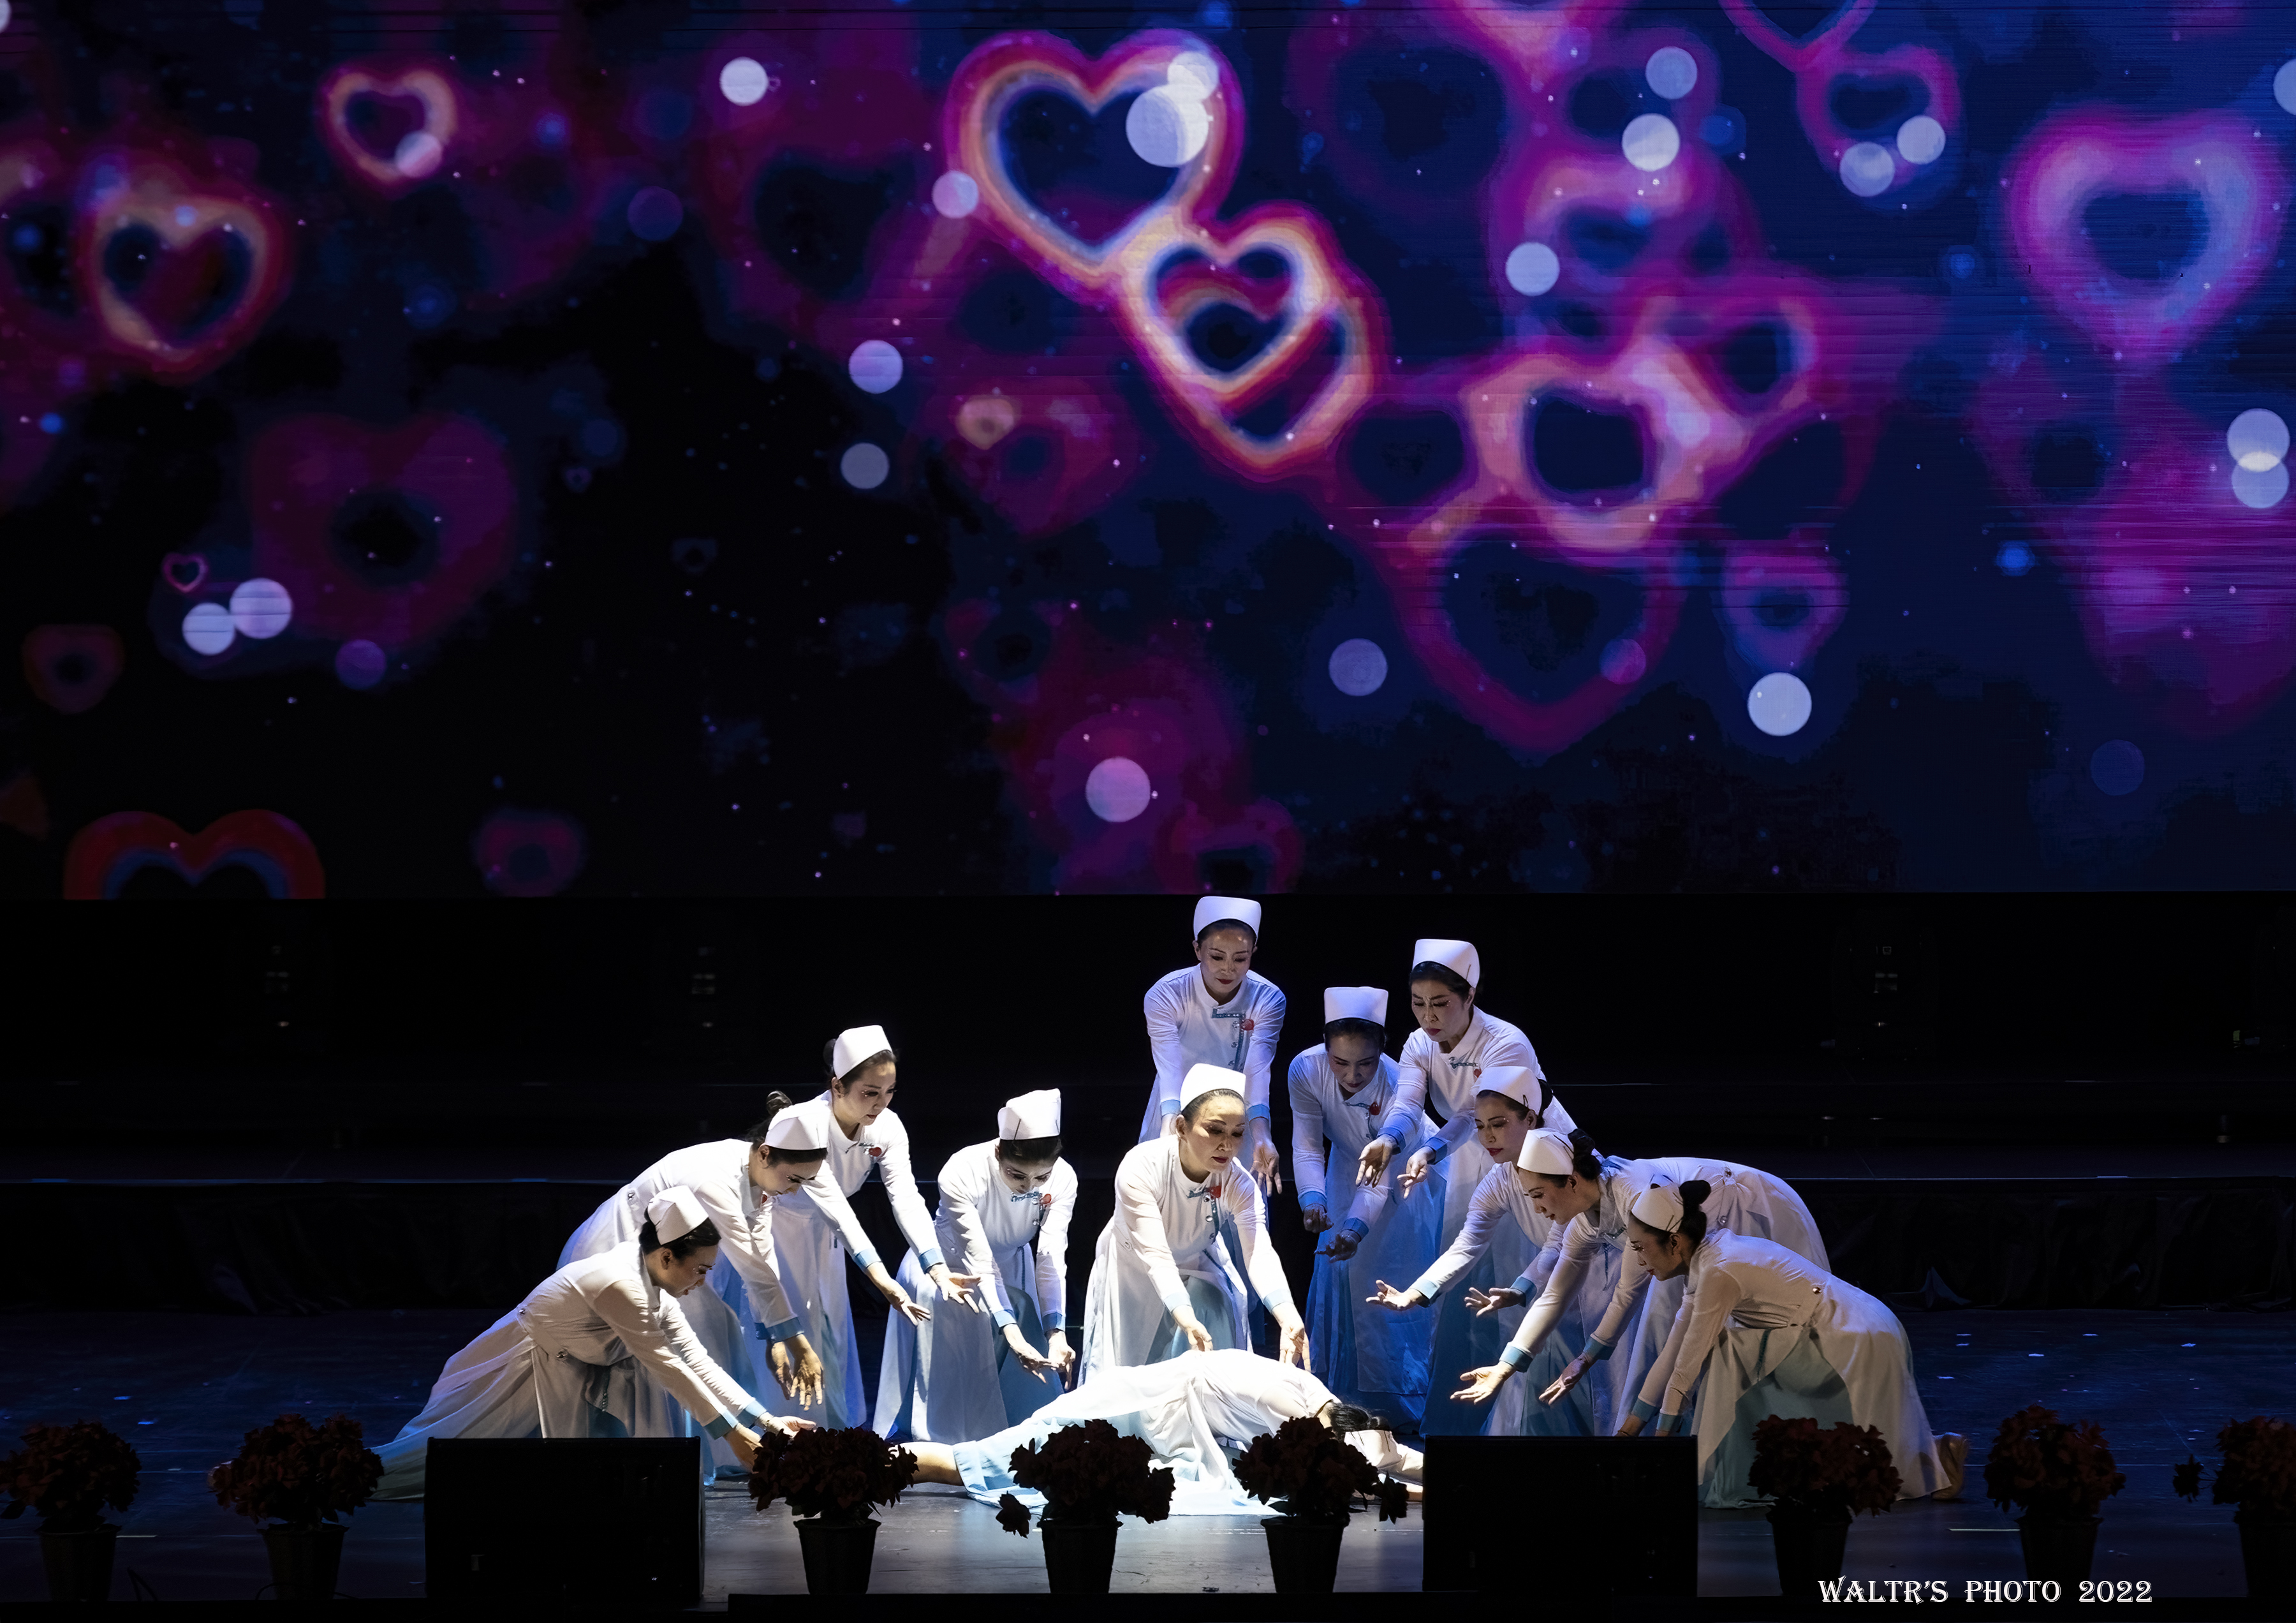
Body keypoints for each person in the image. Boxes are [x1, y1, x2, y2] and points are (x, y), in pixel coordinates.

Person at [373, 1188, 815, 1499]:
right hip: (519, 1367)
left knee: (556, 1482)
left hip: (571, 1370)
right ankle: (350, 1475)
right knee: (439, 1463)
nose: (703, 1282)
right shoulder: (621, 1284)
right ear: (666, 1256)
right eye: (700, 1270)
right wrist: (732, 1434)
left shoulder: (658, 1289)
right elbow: (667, 1365)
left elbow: (697, 1361)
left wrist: (767, 1421)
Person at [1615, 1173, 1968, 1508]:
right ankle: (1938, 1452)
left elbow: (1687, 1365)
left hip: (1853, 1334)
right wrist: (1629, 1433)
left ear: (1674, 1242)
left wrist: (1662, 1448)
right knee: (1732, 1351)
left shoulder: (1718, 1272)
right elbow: (1674, 1352)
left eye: (1640, 1248)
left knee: (1727, 1352)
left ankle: (1937, 1461)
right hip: (1854, 1322)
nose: (1639, 1260)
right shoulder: (1707, 1261)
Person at [1450, 1129, 1827, 1435]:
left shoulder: (1634, 1194)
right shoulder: (1584, 1221)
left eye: (1538, 1195)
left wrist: (1585, 1359)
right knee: (1681, 1335)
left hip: (1748, 1208)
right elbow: (1555, 1295)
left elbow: (1628, 1292)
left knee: (1674, 1330)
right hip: (1691, 1244)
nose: (1537, 1208)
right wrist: (1505, 1366)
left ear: (1571, 1181)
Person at [557, 1093, 827, 1474]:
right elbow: (752, 1265)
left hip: (669, 1259)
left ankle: (721, 1447)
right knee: (667, 1352)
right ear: (766, 1153)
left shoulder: (758, 1177)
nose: (795, 1191)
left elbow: (762, 1257)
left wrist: (775, 1336)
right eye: (794, 1179)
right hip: (621, 1246)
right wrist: (798, 1342)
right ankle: (696, 1450)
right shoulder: (714, 1180)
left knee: (712, 1334)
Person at [736, 1025, 982, 1428]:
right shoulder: (810, 1122)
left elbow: (905, 1195)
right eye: (870, 1092)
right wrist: (882, 1280)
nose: (881, 1103)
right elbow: (838, 1208)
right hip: (777, 1229)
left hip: (828, 1237)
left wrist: (936, 1266)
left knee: (829, 1333)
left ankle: (829, 1435)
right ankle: (778, 1434)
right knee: (787, 1328)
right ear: (837, 1086)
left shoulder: (888, 1126)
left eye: (889, 1092)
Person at [902, 1348, 1425, 1515]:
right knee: (981, 1462)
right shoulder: (1290, 1409)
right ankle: (869, 1463)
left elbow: (1394, 1460)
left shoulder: (1327, 1408)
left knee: (1001, 1468)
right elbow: (1355, 1479)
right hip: (1132, 1409)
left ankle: (876, 1465)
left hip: (1161, 1430)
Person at [1361, 1067, 1593, 1437]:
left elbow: (1559, 1245)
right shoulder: (1500, 1179)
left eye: (1498, 1124)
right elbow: (1468, 1243)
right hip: (1553, 1282)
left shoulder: (1565, 1169)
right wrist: (1414, 1294)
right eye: (1481, 1126)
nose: (1487, 1137)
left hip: (1598, 1279)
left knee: (1604, 1384)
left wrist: (1520, 1289)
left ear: (1530, 1119)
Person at [1079, 1065, 1309, 1381]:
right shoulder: (1141, 1167)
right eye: (1215, 1130)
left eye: (1237, 1133)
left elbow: (1259, 1252)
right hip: (1133, 1266)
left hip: (1196, 1259)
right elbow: (1157, 1256)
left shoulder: (1238, 1183)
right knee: (1128, 1373)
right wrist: (1184, 1316)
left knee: (1213, 1310)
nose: (1227, 1145)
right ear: (1181, 1127)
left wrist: (1287, 1315)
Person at [875, 1088, 1078, 1442]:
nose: (1028, 1187)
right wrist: (1010, 1332)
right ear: (999, 1151)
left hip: (1013, 1266)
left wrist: (1056, 1332)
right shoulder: (963, 1169)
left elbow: (1050, 1256)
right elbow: (979, 1259)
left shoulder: (1065, 1177)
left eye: (1041, 1179)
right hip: (949, 1270)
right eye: (1017, 1176)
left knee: (1022, 1393)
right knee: (961, 1375)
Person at [1289, 987, 1441, 1427]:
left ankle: (1400, 1405)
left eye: (1365, 1064)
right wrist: (1312, 1199)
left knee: (1388, 1275)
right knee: (1340, 1275)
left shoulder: (1399, 1083)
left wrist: (1355, 1229)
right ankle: (1340, 1399)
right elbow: (1307, 1144)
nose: (1352, 1075)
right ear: (1325, 1048)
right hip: (1344, 1164)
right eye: (1340, 1062)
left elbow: (1381, 1179)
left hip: (1406, 1172)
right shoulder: (1306, 1069)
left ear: (1383, 1050)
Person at [1140, 896, 1285, 1191]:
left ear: (1253, 952)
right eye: (1217, 957)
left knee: (1237, 1203)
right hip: (1177, 1105)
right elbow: (1170, 1068)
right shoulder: (1167, 994)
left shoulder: (1268, 998)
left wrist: (1262, 1134)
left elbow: (1258, 1070)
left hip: (1236, 1113)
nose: (1228, 969)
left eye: (1241, 958)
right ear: (1197, 949)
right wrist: (1171, 1126)